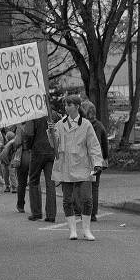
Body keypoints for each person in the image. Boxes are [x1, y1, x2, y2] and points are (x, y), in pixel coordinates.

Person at [48, 96, 103, 240]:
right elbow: (54, 145)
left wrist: (97, 162)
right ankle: (73, 230)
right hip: (66, 166)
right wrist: (51, 133)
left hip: (83, 166)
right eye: (65, 105)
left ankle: (86, 229)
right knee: (67, 200)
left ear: (77, 106)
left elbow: (94, 145)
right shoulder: (60, 124)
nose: (66, 107)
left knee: (87, 199)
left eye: (69, 104)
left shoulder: (86, 124)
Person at [24, 112, 58, 222]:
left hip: (37, 150)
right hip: (51, 150)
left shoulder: (33, 114)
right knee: (50, 183)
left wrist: (29, 146)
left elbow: (29, 133)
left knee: (34, 181)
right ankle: (51, 214)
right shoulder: (55, 114)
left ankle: (36, 213)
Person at [80, 100, 108, 221]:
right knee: (95, 187)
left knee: (85, 186)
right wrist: (105, 158)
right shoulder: (100, 125)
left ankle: (85, 211)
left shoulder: (83, 125)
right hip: (97, 160)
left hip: (85, 160)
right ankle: (93, 213)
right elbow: (105, 143)